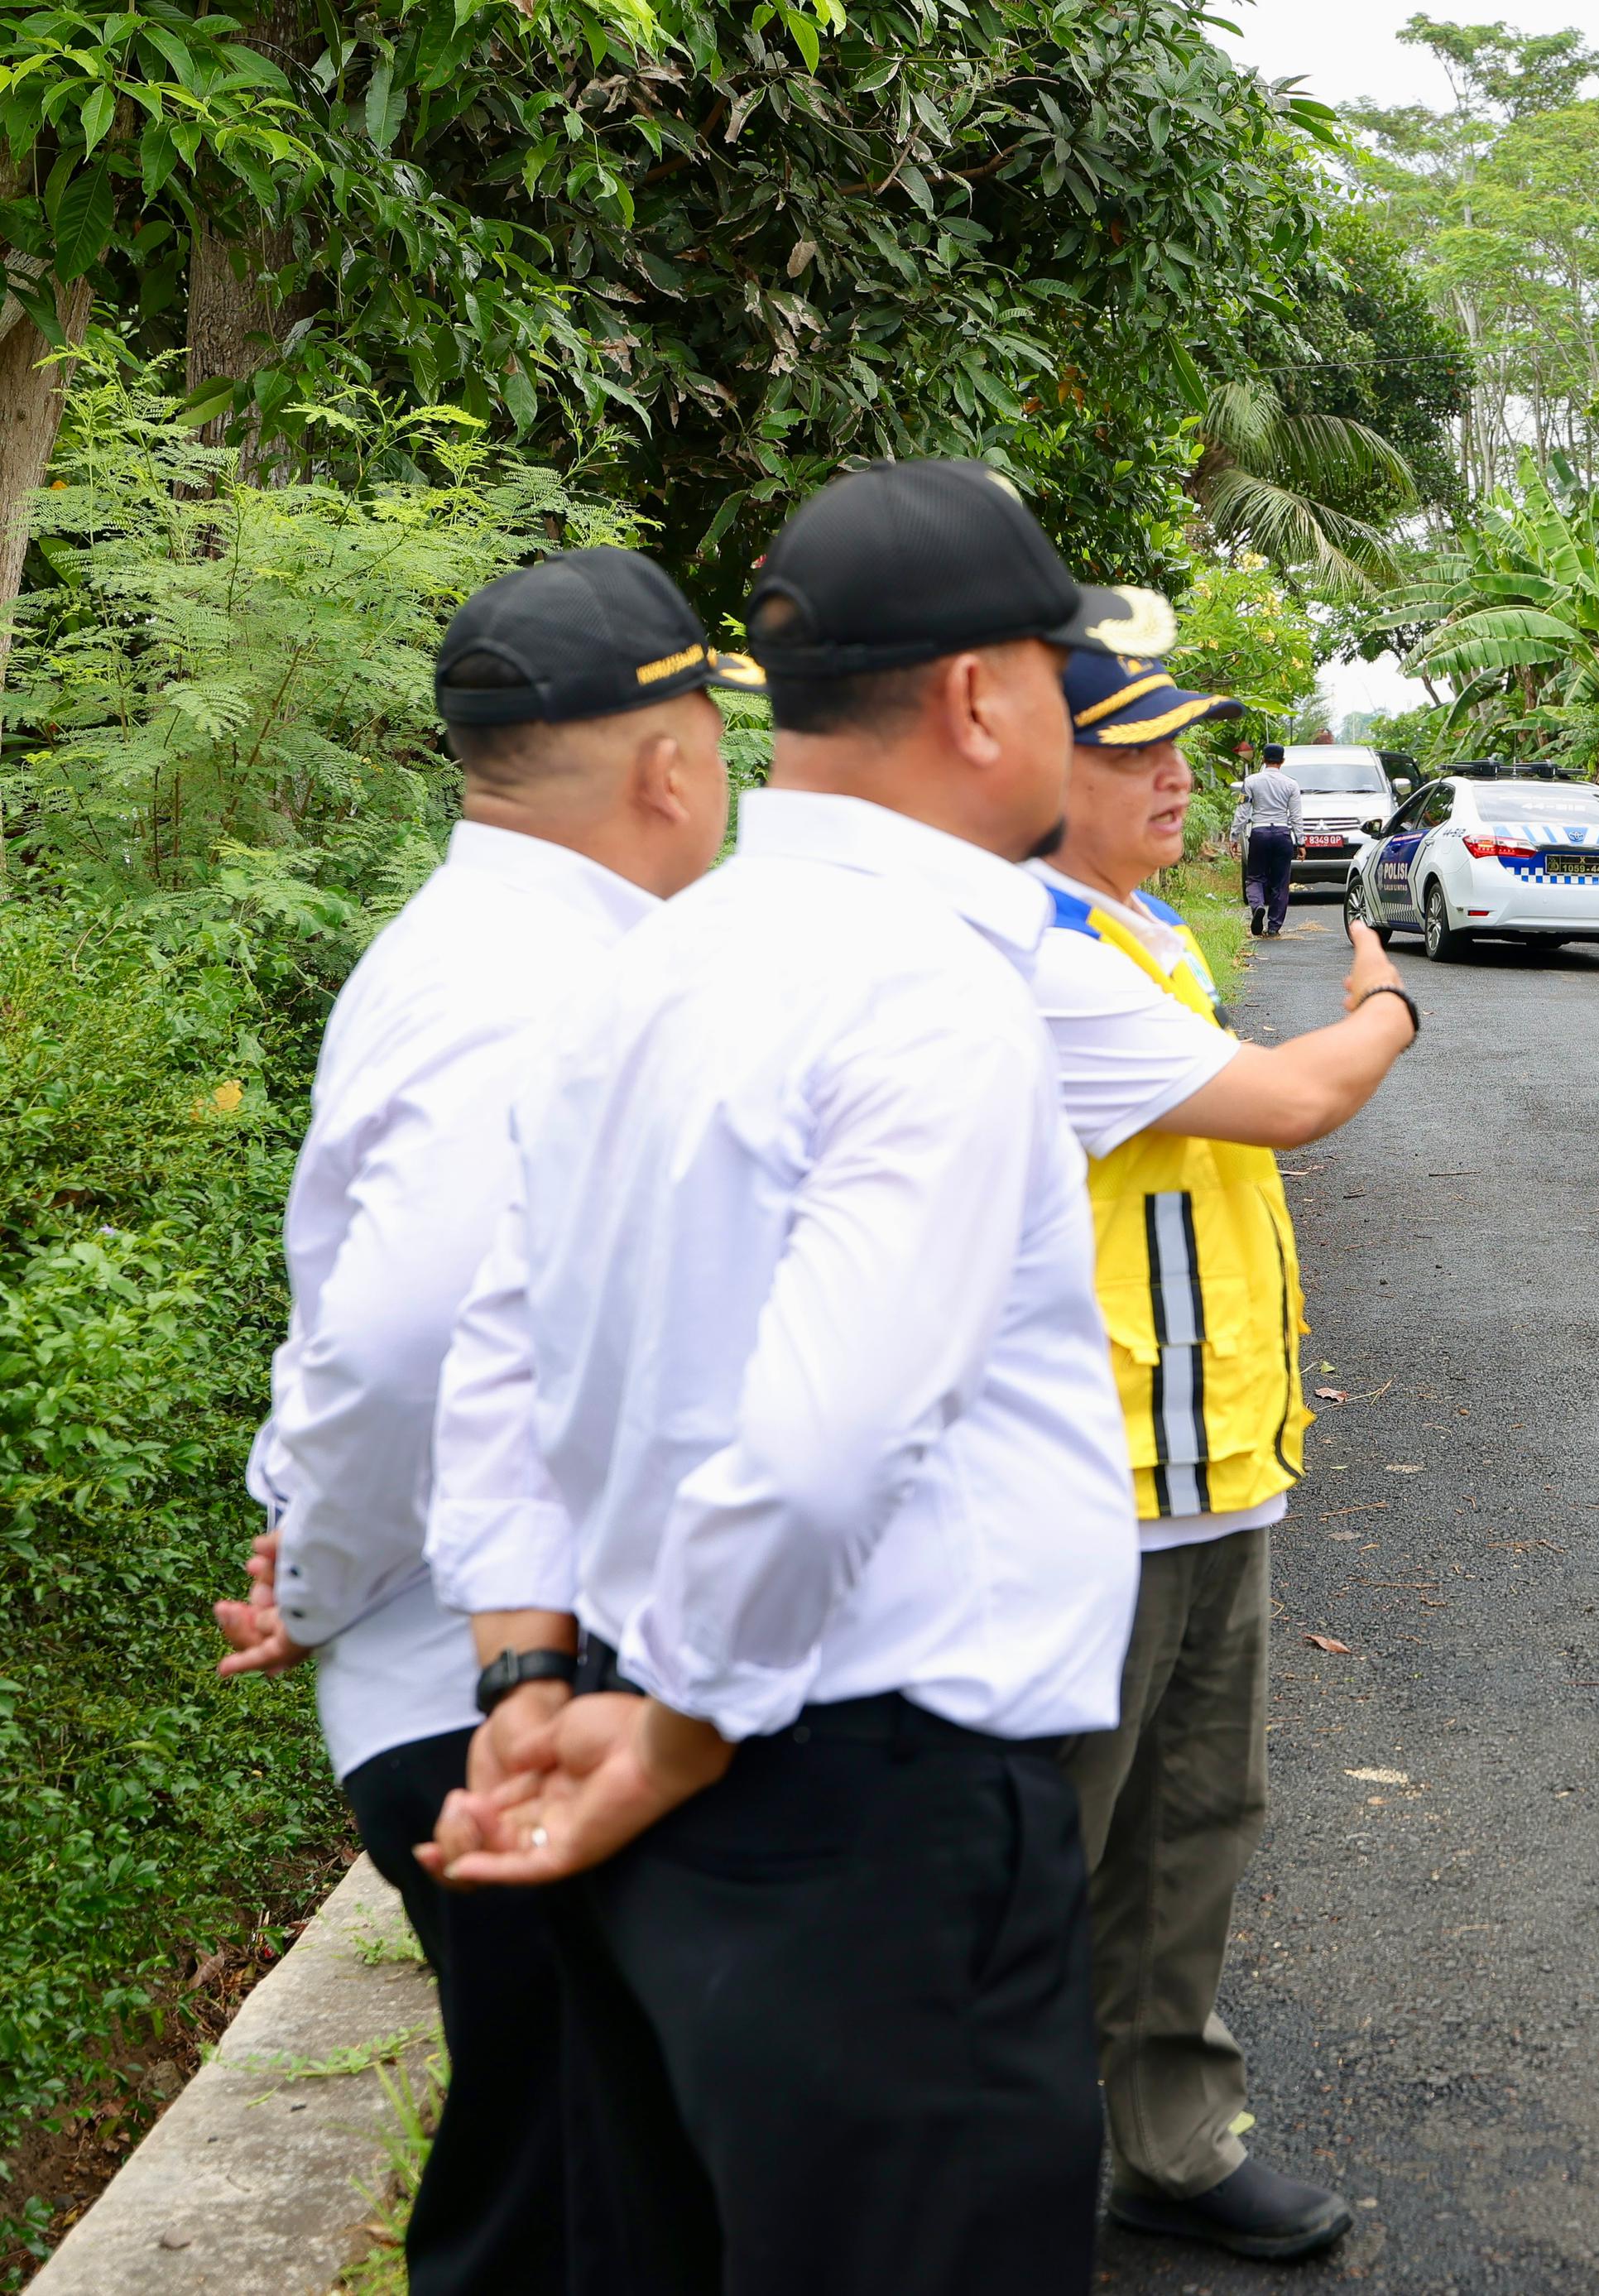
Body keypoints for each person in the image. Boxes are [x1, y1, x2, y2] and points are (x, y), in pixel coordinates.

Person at [421, 460, 1165, 2295]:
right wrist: (674, 1731)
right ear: (979, 696)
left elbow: (502, 1344)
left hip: (635, 1747)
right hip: (865, 1809)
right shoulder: (932, 992)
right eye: (1060, 676)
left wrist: (531, 1675)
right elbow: (829, 1447)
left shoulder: (656, 963)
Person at [214, 549, 747, 2296]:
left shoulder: (477, 942)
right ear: (669, 765)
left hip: (475, 1672)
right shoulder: (548, 980)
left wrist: (320, 1544)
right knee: (571, 2206)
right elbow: (414, 1331)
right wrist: (329, 1575)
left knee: (576, 2168)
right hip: (503, 1698)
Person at [1030, 646, 1421, 2260]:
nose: (1174, 776)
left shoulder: (1138, 931)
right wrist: (1388, 1004)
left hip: (1203, 1470)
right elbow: (1288, 1099)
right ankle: (1005, 2169)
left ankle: (1170, 2137)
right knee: (1056, 1847)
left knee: (1195, 1817)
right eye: (1130, 753)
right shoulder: (1041, 956)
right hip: (1094, 1488)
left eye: (1179, 746)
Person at [1238, 740, 1302, 937]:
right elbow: (1296, 816)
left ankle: (1257, 905)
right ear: (1282, 761)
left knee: (1255, 877)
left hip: (1260, 833)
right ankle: (1274, 927)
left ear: (1264, 760)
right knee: (1280, 882)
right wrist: (1301, 842)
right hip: (1283, 834)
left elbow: (1242, 811)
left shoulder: (1251, 782)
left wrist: (1234, 835)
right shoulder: (1291, 784)